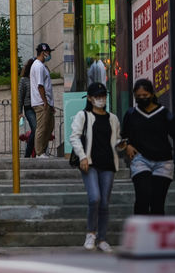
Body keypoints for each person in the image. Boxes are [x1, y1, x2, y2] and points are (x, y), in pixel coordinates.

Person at [122, 78, 175, 215]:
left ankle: (157, 234)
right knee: (143, 196)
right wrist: (127, 145)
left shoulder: (164, 113)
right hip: (140, 159)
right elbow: (123, 135)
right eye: (138, 96)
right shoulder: (131, 114)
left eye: (145, 96)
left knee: (157, 202)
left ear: (152, 94)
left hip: (163, 162)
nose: (142, 99)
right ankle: (140, 231)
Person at [70, 81, 122, 252]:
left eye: (103, 96)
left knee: (104, 203)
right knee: (95, 198)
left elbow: (116, 139)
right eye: (97, 96)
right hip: (89, 163)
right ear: (90, 98)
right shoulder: (83, 116)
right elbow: (74, 137)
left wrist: (122, 145)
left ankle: (102, 239)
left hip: (108, 163)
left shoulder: (113, 118)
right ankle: (91, 234)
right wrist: (82, 156)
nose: (101, 99)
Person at [30, 43, 55, 156]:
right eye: (48, 52)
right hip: (41, 103)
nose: (49, 55)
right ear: (43, 52)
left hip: (46, 102)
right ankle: (40, 152)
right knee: (42, 128)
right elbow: (40, 86)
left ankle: (43, 151)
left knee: (49, 127)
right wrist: (45, 101)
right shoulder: (38, 66)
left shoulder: (40, 66)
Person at [18, 58, 37, 158]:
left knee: (40, 131)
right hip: (29, 107)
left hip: (39, 106)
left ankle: (37, 153)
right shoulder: (24, 80)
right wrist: (19, 112)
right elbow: (20, 96)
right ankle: (27, 154)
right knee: (35, 129)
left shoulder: (38, 77)